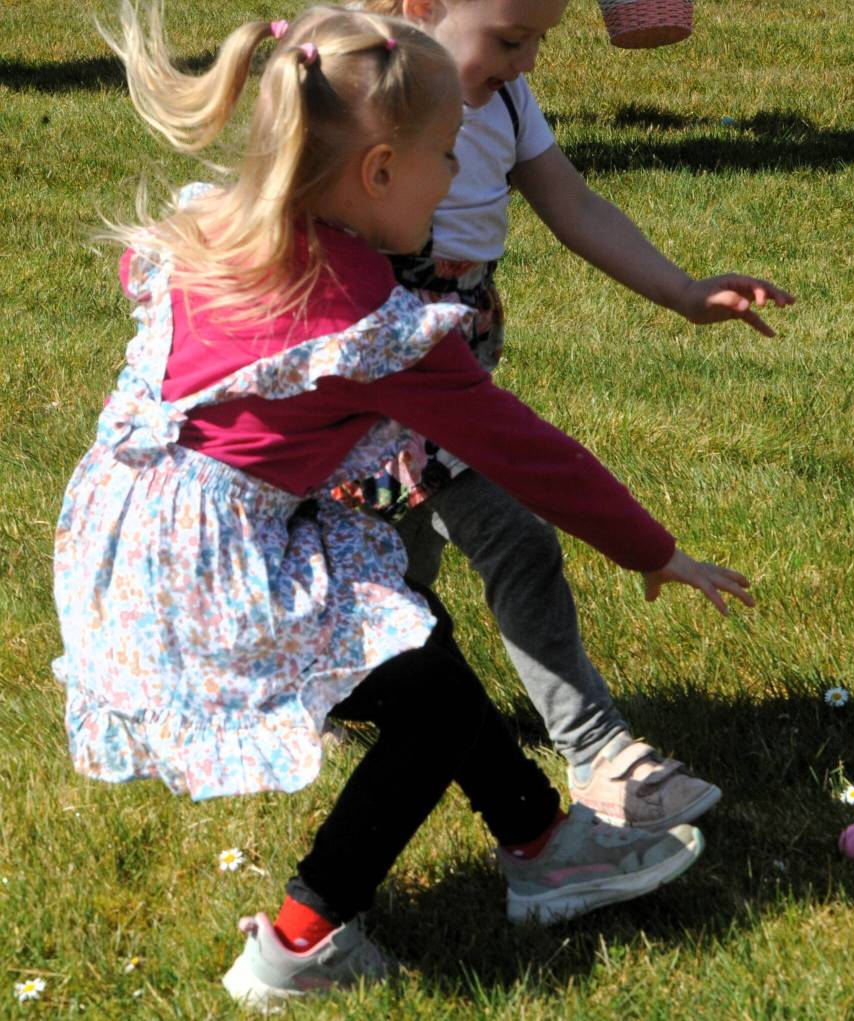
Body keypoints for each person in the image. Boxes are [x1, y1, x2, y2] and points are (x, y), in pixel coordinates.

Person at [54, 3, 757, 1006]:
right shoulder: (368, 321)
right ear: (380, 171)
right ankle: (300, 943)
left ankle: (544, 844)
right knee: (423, 716)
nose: (457, 175)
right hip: (215, 571)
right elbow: (527, 452)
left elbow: (155, 292)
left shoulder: (215, 231)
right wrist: (653, 550)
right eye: (445, 156)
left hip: (130, 539)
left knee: (418, 648)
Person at [351, 0, 794, 831]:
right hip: (369, 380)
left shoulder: (506, 101)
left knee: (487, 550)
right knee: (393, 573)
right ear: (422, 9)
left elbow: (575, 205)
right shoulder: (359, 86)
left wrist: (684, 291)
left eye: (539, 41)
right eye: (511, 40)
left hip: (451, 373)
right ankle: (366, 694)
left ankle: (596, 749)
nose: (526, 64)